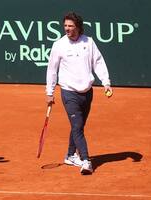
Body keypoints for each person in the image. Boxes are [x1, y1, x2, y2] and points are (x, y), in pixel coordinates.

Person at [45, 12, 112, 175]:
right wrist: (50, 91)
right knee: (77, 127)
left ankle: (69, 155)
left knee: (79, 126)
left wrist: (106, 82)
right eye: (65, 26)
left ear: (78, 27)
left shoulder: (88, 42)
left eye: (70, 26)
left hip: (87, 92)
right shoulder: (59, 45)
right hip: (69, 92)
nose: (67, 29)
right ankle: (86, 160)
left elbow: (98, 62)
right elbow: (52, 70)